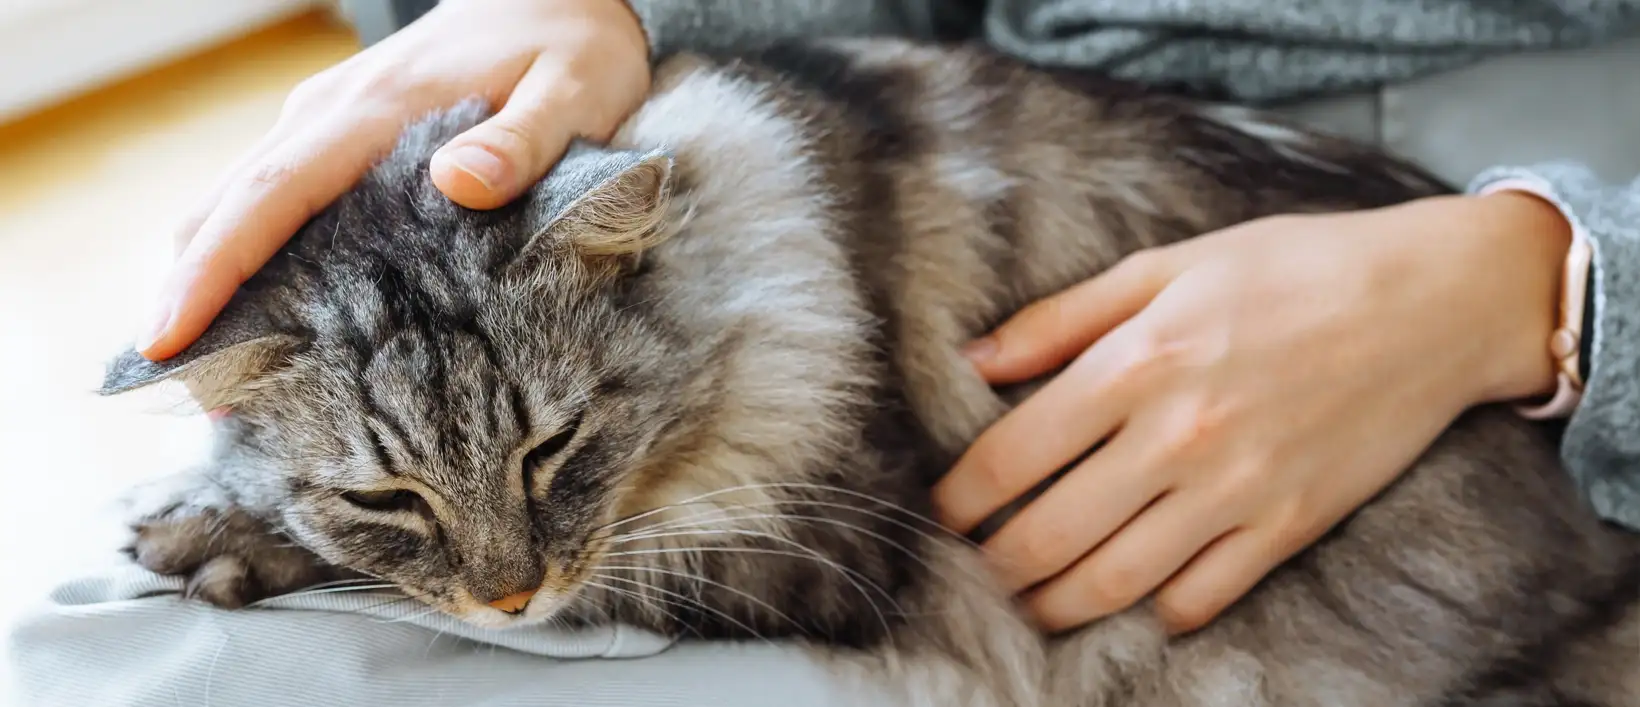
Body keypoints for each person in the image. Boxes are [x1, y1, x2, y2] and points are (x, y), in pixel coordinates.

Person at [13, 1, 1639, 705]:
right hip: (1017, 113)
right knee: (115, 666)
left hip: (1542, 381)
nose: (508, 578)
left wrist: (1555, 289)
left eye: (543, 474)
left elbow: (837, 569)